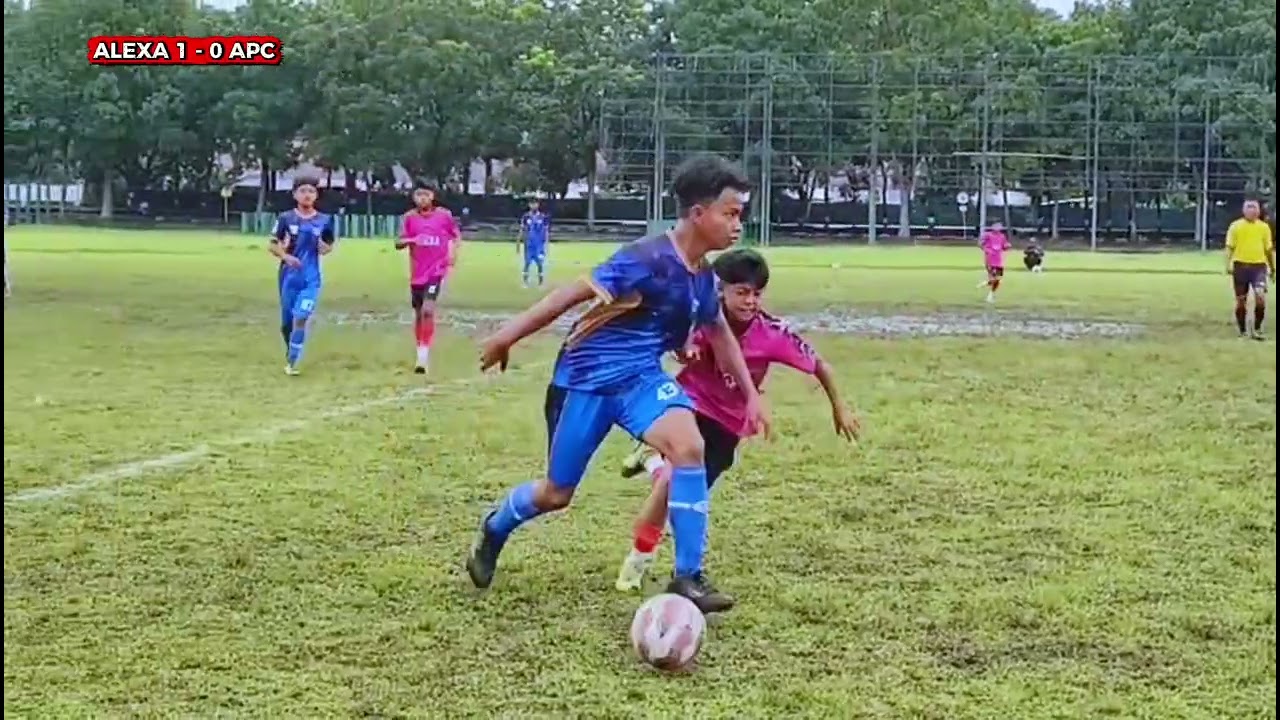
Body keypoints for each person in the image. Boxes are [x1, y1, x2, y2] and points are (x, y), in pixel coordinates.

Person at [467, 155, 768, 614]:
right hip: (584, 383)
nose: (738, 225)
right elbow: (572, 293)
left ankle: (687, 576)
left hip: (640, 381)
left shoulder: (704, 278)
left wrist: (750, 395)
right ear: (698, 213)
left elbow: (719, 332)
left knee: (689, 447)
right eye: (731, 213)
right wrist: (508, 336)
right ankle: (494, 529)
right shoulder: (645, 259)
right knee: (556, 493)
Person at [613, 248, 861, 592]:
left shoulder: (772, 333)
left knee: (683, 494)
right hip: (689, 406)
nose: (750, 301)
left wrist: (840, 407)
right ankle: (637, 562)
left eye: (756, 293)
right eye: (741, 292)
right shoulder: (700, 316)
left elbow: (820, 366)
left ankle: (653, 459)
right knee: (672, 483)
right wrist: (684, 348)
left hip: (727, 424)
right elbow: (664, 338)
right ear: (720, 291)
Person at [269, 177, 335, 376]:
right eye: (303, 191)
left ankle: (292, 362)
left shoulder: (324, 220)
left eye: (311, 191)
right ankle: (292, 348)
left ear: (316, 195)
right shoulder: (286, 218)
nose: (307, 195)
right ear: (295, 194)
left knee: (301, 317)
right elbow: (272, 244)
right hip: (288, 277)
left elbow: (328, 244)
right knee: (287, 323)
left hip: (311, 278)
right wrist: (286, 256)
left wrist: (326, 248)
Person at [396, 182, 461, 374]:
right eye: (418, 195)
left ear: (433, 196)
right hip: (417, 274)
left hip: (436, 271)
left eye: (426, 194)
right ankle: (420, 349)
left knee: (427, 310)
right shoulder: (409, 218)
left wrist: (452, 253)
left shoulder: (444, 216)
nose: (422, 198)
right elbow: (398, 242)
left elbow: (455, 236)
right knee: (418, 314)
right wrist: (412, 240)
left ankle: (423, 357)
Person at [1224, 199, 1275, 340]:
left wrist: (1273, 267)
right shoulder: (1235, 226)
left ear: (1259, 210)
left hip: (1259, 267)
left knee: (1260, 298)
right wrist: (1227, 264)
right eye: (1249, 207)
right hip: (1240, 267)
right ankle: (1242, 330)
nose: (1252, 210)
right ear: (1243, 210)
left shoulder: (1264, 228)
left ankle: (1257, 329)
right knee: (1241, 301)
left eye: (1254, 207)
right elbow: (1229, 247)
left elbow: (1269, 250)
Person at [518, 199, 551, 288]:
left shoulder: (543, 217)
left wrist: (547, 243)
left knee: (540, 264)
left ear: (538, 205)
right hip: (529, 244)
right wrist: (518, 242)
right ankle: (525, 282)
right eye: (532, 204)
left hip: (539, 245)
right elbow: (522, 230)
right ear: (529, 205)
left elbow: (546, 231)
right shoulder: (526, 216)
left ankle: (541, 283)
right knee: (527, 263)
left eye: (535, 204)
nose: (534, 206)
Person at [979, 222, 1011, 303]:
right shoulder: (987, 235)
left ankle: (988, 286)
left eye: (999, 227)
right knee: (995, 278)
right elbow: (980, 244)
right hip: (990, 260)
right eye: (996, 227)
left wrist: (1007, 246)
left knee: (998, 279)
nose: (997, 228)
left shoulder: (1002, 236)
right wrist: (986, 250)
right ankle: (990, 295)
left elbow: (1004, 246)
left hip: (999, 260)